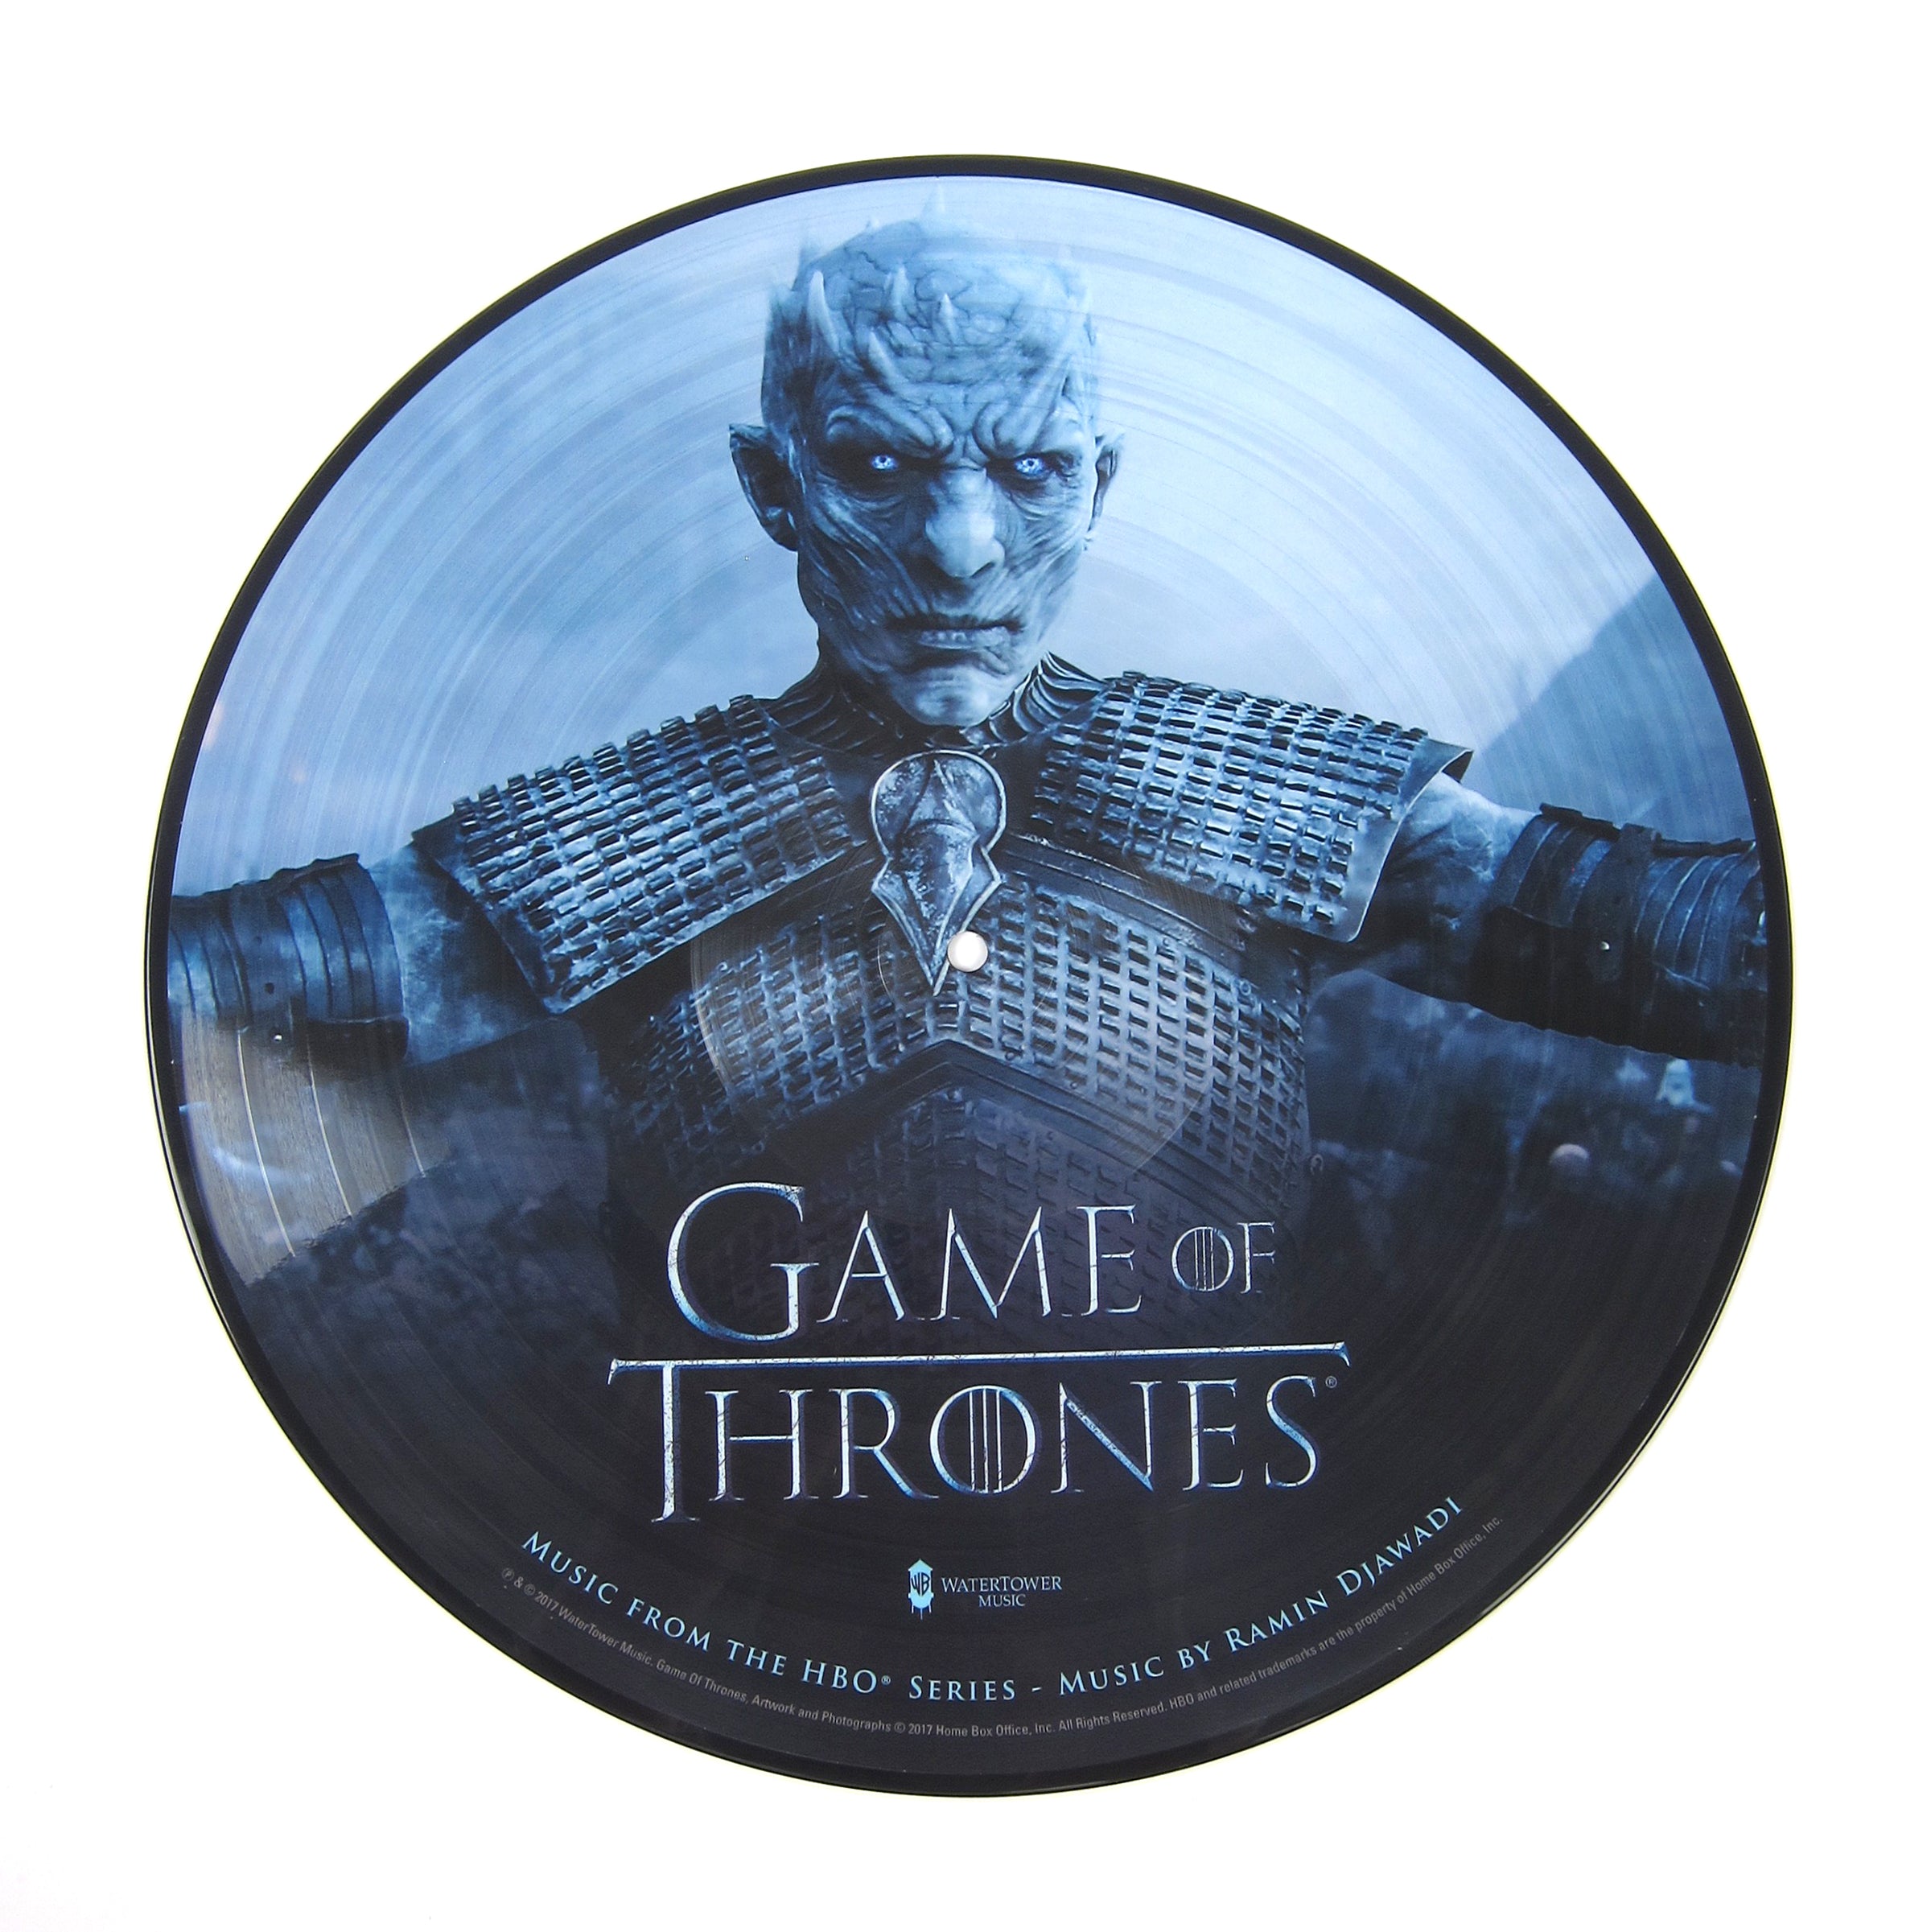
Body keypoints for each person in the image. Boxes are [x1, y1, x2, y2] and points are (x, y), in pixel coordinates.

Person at [167, 220, 1767, 1341]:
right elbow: (175, 998)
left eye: (1031, 467)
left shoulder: (1278, 795)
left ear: (1101, 482)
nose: (960, 549)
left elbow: (1719, 949)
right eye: (879, 465)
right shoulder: (612, 840)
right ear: (774, 486)